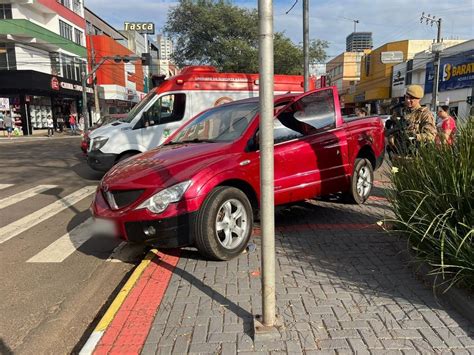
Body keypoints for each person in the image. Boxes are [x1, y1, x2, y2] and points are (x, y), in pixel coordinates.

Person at [386, 85, 437, 156]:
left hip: (415, 154)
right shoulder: (400, 110)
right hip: (398, 152)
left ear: (419, 99)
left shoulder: (424, 114)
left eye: (411, 98)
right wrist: (391, 136)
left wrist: (415, 136)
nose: (408, 100)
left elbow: (431, 135)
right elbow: (390, 125)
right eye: (406, 97)